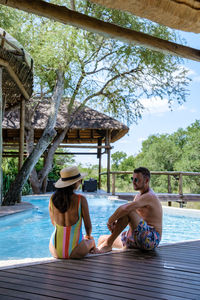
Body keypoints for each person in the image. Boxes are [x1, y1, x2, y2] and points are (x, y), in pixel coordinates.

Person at [98, 167, 162, 252]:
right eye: (133, 179)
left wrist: (110, 221)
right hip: (136, 237)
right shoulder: (138, 196)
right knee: (102, 239)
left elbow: (125, 209)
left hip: (151, 239)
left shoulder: (150, 196)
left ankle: (108, 244)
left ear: (146, 181)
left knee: (128, 210)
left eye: (137, 180)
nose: (133, 182)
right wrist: (116, 224)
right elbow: (131, 219)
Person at [49, 166, 97, 259]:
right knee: (92, 241)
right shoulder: (80, 200)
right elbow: (88, 226)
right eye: (80, 180)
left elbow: (53, 223)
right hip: (76, 250)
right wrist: (88, 236)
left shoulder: (52, 199)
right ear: (75, 183)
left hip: (55, 250)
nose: (80, 182)